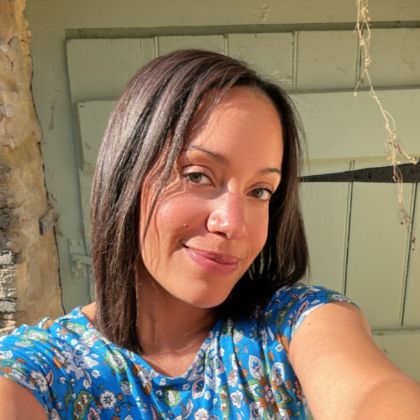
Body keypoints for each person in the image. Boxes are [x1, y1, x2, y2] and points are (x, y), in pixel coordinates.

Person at [0, 49, 419, 420]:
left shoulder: (294, 323)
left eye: (260, 191)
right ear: (126, 174)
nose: (232, 223)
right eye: (197, 175)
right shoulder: (41, 366)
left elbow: (372, 393)